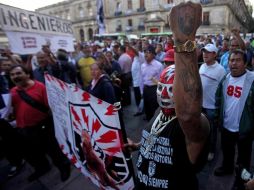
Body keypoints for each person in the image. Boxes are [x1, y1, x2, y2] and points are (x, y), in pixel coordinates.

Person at [125, 2, 210, 189]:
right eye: (161, 87)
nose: (163, 94)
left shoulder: (196, 124)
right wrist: (139, 145)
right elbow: (158, 137)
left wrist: (183, 39)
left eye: (170, 89)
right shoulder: (160, 112)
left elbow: (187, 114)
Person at [9, 64, 71, 182]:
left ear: (27, 75)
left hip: (43, 127)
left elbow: (51, 107)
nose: (15, 76)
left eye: (18, 73)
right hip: (25, 130)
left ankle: (63, 167)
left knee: (53, 150)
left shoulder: (40, 87)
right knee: (34, 152)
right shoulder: (12, 92)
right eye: (12, 74)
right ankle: (42, 168)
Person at [213, 49, 254, 190]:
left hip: (244, 128)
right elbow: (218, 99)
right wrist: (217, 118)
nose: (233, 63)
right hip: (226, 126)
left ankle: (242, 180)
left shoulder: (252, 80)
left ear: (245, 63)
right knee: (227, 151)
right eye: (231, 60)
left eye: (238, 60)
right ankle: (227, 167)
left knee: (244, 158)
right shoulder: (225, 79)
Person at [199, 43, 226, 161]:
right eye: (204, 51)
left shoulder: (220, 70)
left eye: (208, 52)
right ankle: (202, 147)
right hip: (200, 105)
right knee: (201, 128)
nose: (204, 54)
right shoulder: (202, 66)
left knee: (212, 130)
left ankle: (211, 150)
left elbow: (223, 90)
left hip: (212, 107)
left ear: (215, 54)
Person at [140, 45, 163, 121]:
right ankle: (148, 121)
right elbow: (142, 79)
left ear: (153, 54)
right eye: (144, 52)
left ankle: (154, 124)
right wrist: (141, 91)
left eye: (148, 52)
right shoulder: (143, 65)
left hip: (154, 89)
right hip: (146, 89)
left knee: (154, 108)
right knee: (147, 108)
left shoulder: (159, 65)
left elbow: (161, 80)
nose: (146, 54)